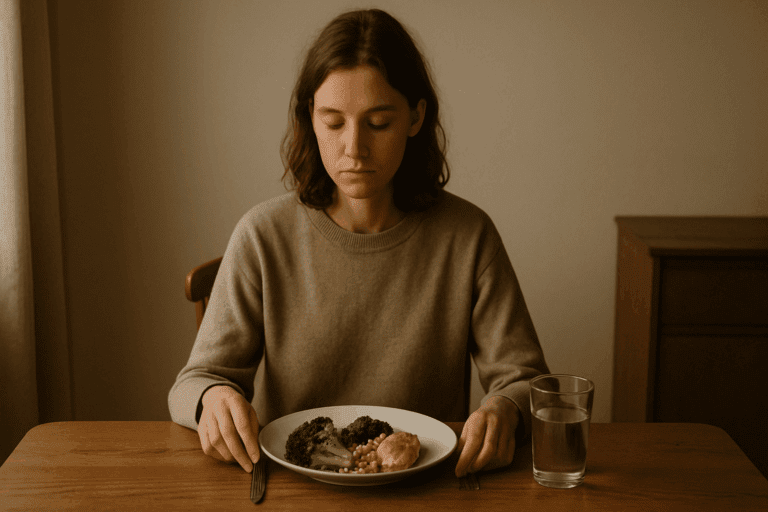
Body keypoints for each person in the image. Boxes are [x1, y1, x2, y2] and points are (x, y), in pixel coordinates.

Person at [168, 8, 549, 479]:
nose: (354, 148)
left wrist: (504, 409)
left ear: (416, 116)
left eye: (379, 123)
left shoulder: (469, 236)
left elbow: (526, 381)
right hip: (293, 489)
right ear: (310, 117)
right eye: (333, 123)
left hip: (426, 489)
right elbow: (193, 383)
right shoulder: (262, 235)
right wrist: (214, 398)